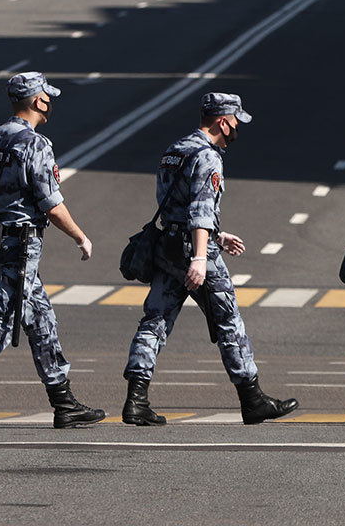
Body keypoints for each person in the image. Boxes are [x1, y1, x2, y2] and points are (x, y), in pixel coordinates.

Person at [0, 72, 104, 432]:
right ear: (38, 101)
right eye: (48, 97)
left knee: (41, 320)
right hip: (21, 246)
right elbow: (51, 205)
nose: (50, 102)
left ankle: (63, 402)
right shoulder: (36, 145)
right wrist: (80, 237)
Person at [121, 93, 298, 426]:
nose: (237, 130)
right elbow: (200, 212)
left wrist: (218, 234)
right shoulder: (208, 157)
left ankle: (135, 400)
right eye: (235, 122)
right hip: (193, 251)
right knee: (228, 320)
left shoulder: (175, 150)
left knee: (155, 320)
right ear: (223, 121)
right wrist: (201, 257)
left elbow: (175, 206)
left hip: (167, 247)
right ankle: (252, 398)